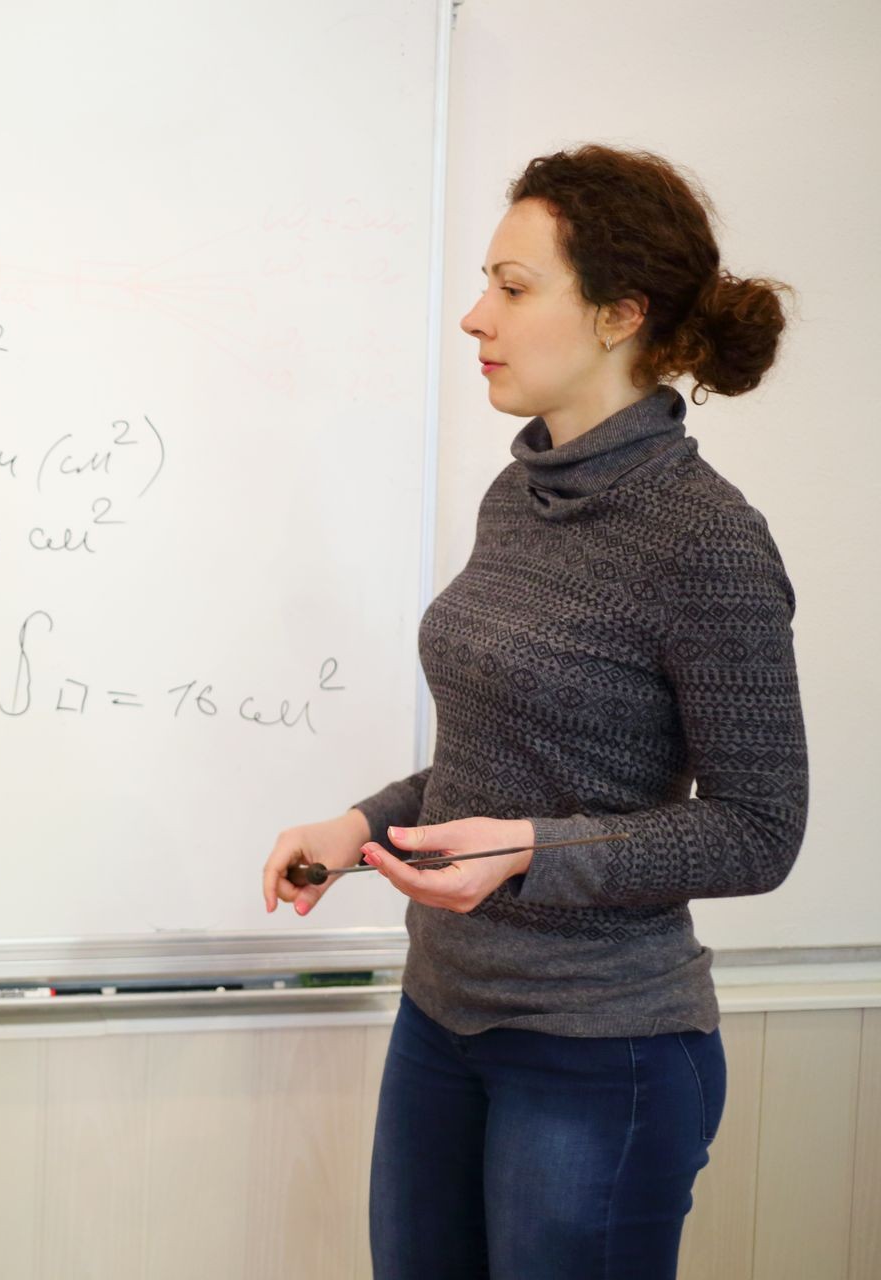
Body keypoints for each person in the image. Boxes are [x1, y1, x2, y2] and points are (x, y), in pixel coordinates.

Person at [260, 145, 807, 1279]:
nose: (475, 316)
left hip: (602, 1051)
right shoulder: (518, 495)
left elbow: (760, 827)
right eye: (484, 283)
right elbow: (498, 768)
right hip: (443, 1017)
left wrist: (531, 855)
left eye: (513, 287)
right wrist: (357, 828)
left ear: (619, 314)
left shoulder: (706, 538)